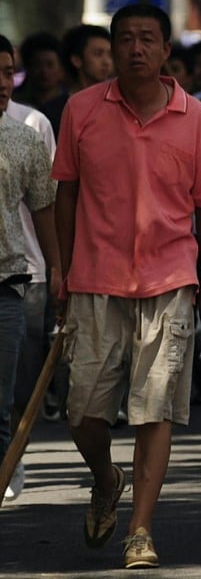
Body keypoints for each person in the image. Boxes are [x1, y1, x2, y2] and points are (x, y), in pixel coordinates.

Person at [53, 4, 201, 570]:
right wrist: (63, 267)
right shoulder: (81, 109)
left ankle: (140, 529)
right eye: (124, 39)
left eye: (147, 39)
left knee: (156, 409)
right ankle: (107, 478)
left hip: (170, 279)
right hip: (95, 278)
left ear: (165, 50)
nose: (135, 49)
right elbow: (67, 196)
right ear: (111, 48)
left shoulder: (194, 116)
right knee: (83, 411)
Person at [0, 34, 60, 502]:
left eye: (8, 72)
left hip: (12, 283)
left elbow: (45, 210)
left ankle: (5, 468)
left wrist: (60, 270)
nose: (3, 83)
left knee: (7, 397)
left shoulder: (26, 135)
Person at [42, 25, 114, 132]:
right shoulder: (54, 112)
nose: (107, 62)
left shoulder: (118, 107)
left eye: (110, 55)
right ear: (76, 60)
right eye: (98, 54)